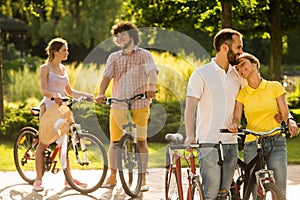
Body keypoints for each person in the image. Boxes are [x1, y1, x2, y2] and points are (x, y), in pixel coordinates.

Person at [96, 21, 158, 192]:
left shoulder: (144, 55)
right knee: (115, 142)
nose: (120, 38)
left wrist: (152, 86)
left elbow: (152, 71)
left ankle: (144, 178)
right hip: (118, 103)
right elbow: (106, 77)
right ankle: (113, 175)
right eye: (117, 36)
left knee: (141, 142)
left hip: (140, 102)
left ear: (132, 36)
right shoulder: (114, 57)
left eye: (123, 35)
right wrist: (101, 93)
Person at [184, 28, 244, 200]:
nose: (241, 52)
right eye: (238, 47)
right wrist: (189, 135)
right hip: (208, 143)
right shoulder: (201, 73)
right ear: (225, 48)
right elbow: (190, 107)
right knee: (210, 192)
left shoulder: (237, 75)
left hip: (231, 142)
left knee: (225, 193)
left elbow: (247, 99)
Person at [229, 52, 299, 195]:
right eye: (238, 69)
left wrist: (290, 121)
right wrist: (235, 124)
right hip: (253, 143)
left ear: (255, 64)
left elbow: (285, 112)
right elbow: (236, 117)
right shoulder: (242, 94)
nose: (241, 69)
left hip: (276, 141)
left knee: (280, 191)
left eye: (243, 64)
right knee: (254, 190)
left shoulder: (274, 86)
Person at [33, 38, 94, 191]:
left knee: (65, 143)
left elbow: (70, 92)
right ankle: (38, 180)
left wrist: (87, 95)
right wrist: (54, 95)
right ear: (55, 52)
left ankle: (68, 180)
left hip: (61, 109)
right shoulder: (45, 68)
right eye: (64, 50)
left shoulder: (63, 69)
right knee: (43, 143)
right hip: (48, 108)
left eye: (66, 50)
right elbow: (44, 91)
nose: (67, 52)